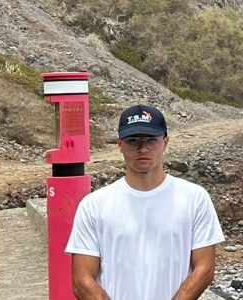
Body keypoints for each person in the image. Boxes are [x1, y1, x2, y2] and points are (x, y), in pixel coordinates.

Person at [66, 104, 225, 300]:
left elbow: (205, 268)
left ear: (165, 142)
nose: (143, 149)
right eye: (133, 141)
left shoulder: (195, 198)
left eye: (151, 140)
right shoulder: (94, 205)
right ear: (120, 145)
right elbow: (81, 280)